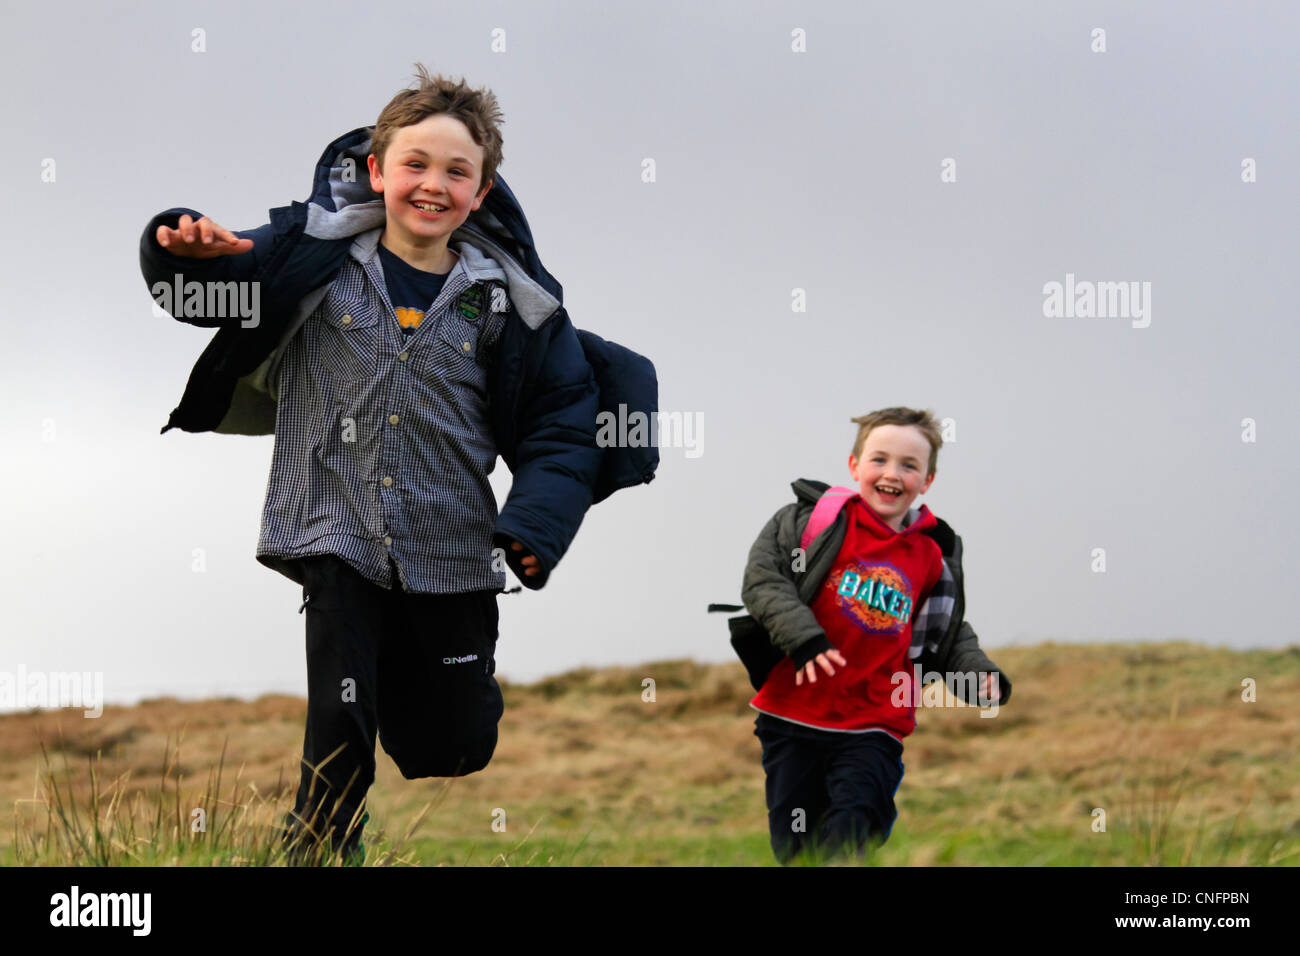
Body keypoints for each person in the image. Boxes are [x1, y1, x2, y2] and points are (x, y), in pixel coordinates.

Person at [139, 65, 656, 864]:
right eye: (415, 164)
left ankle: (417, 719)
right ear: (377, 171)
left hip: (451, 543)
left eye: (457, 171)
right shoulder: (309, 255)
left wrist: (532, 531)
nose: (433, 184)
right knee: (342, 707)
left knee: (449, 744)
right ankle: (318, 846)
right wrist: (182, 246)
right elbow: (206, 289)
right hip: (331, 525)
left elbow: (562, 423)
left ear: (481, 193)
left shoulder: (511, 304)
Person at [740, 406, 1012, 864]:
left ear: (927, 481)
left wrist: (980, 676)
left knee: (854, 823)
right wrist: (805, 639)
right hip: (792, 715)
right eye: (879, 459)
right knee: (796, 847)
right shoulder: (808, 522)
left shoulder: (930, 553)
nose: (892, 474)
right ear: (854, 466)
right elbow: (763, 581)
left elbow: (947, 632)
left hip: (874, 723)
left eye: (909, 465)